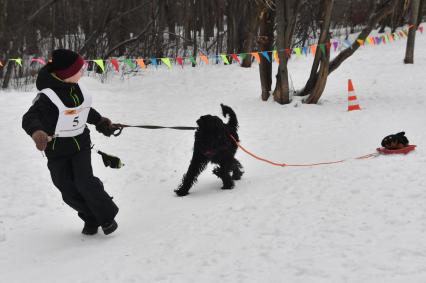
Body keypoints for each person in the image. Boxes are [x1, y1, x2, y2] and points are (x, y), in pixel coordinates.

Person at [22, 49, 119, 235]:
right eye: (79, 70)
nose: (82, 72)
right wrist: (37, 132)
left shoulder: (78, 89)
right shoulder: (47, 97)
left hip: (80, 145)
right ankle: (90, 216)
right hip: (57, 150)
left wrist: (100, 122)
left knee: (85, 182)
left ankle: (106, 217)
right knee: (66, 189)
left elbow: (85, 111)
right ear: (66, 74)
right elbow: (30, 117)